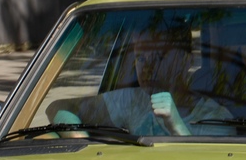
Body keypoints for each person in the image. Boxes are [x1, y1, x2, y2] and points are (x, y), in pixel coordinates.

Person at [49, 27, 232, 136]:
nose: (147, 68)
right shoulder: (133, 100)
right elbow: (58, 108)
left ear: (185, 61)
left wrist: (176, 126)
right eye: (141, 59)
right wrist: (80, 140)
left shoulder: (216, 119)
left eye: (158, 57)